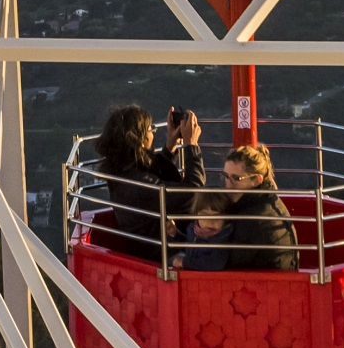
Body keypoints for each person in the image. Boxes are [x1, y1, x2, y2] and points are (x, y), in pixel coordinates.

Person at [177, 143, 304, 273]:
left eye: (236, 178)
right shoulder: (269, 201)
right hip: (279, 281)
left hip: (265, 287)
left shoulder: (252, 219)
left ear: (256, 180)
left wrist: (187, 259)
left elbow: (226, 264)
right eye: (226, 177)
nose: (228, 185)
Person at [88, 104, 168, 259]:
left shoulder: (122, 173)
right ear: (139, 140)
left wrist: (170, 148)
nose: (153, 134)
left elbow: (153, 180)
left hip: (146, 250)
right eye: (150, 129)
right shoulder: (138, 185)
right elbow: (189, 195)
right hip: (161, 258)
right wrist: (191, 147)